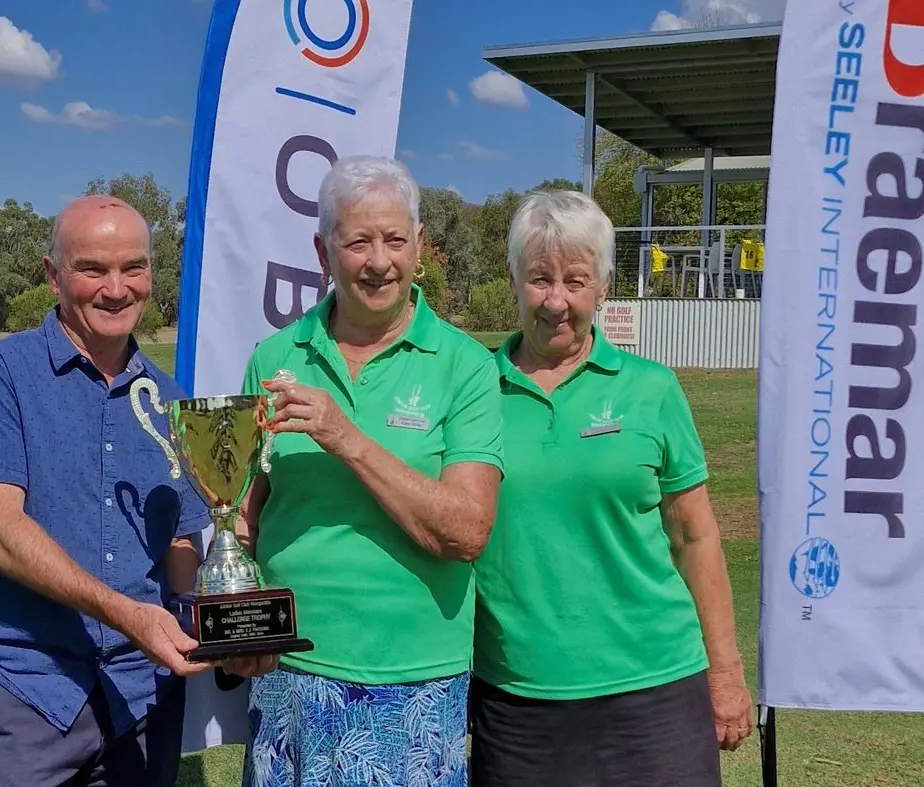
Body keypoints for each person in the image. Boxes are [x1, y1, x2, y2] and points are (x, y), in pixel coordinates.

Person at [0, 195, 262, 787]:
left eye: (133, 267)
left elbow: (179, 543)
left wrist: (224, 630)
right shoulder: (1, 373)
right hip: (25, 688)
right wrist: (125, 614)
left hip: (141, 700)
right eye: (92, 269)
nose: (116, 289)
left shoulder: (169, 399)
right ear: (53, 274)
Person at [468, 190, 753, 786]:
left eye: (575, 281)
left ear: (603, 287)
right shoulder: (471, 394)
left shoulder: (652, 389)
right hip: (519, 702)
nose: (556, 301)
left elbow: (695, 538)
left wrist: (725, 673)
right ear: (513, 280)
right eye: (539, 278)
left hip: (655, 692)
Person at [237, 155, 505, 787]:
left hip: (415, 682)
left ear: (420, 246)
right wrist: (239, 616)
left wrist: (346, 439)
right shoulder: (274, 358)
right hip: (291, 674)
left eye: (394, 240)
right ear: (323, 252)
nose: (378, 261)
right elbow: (240, 515)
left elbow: (467, 531)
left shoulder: (465, 366)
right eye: (358, 242)